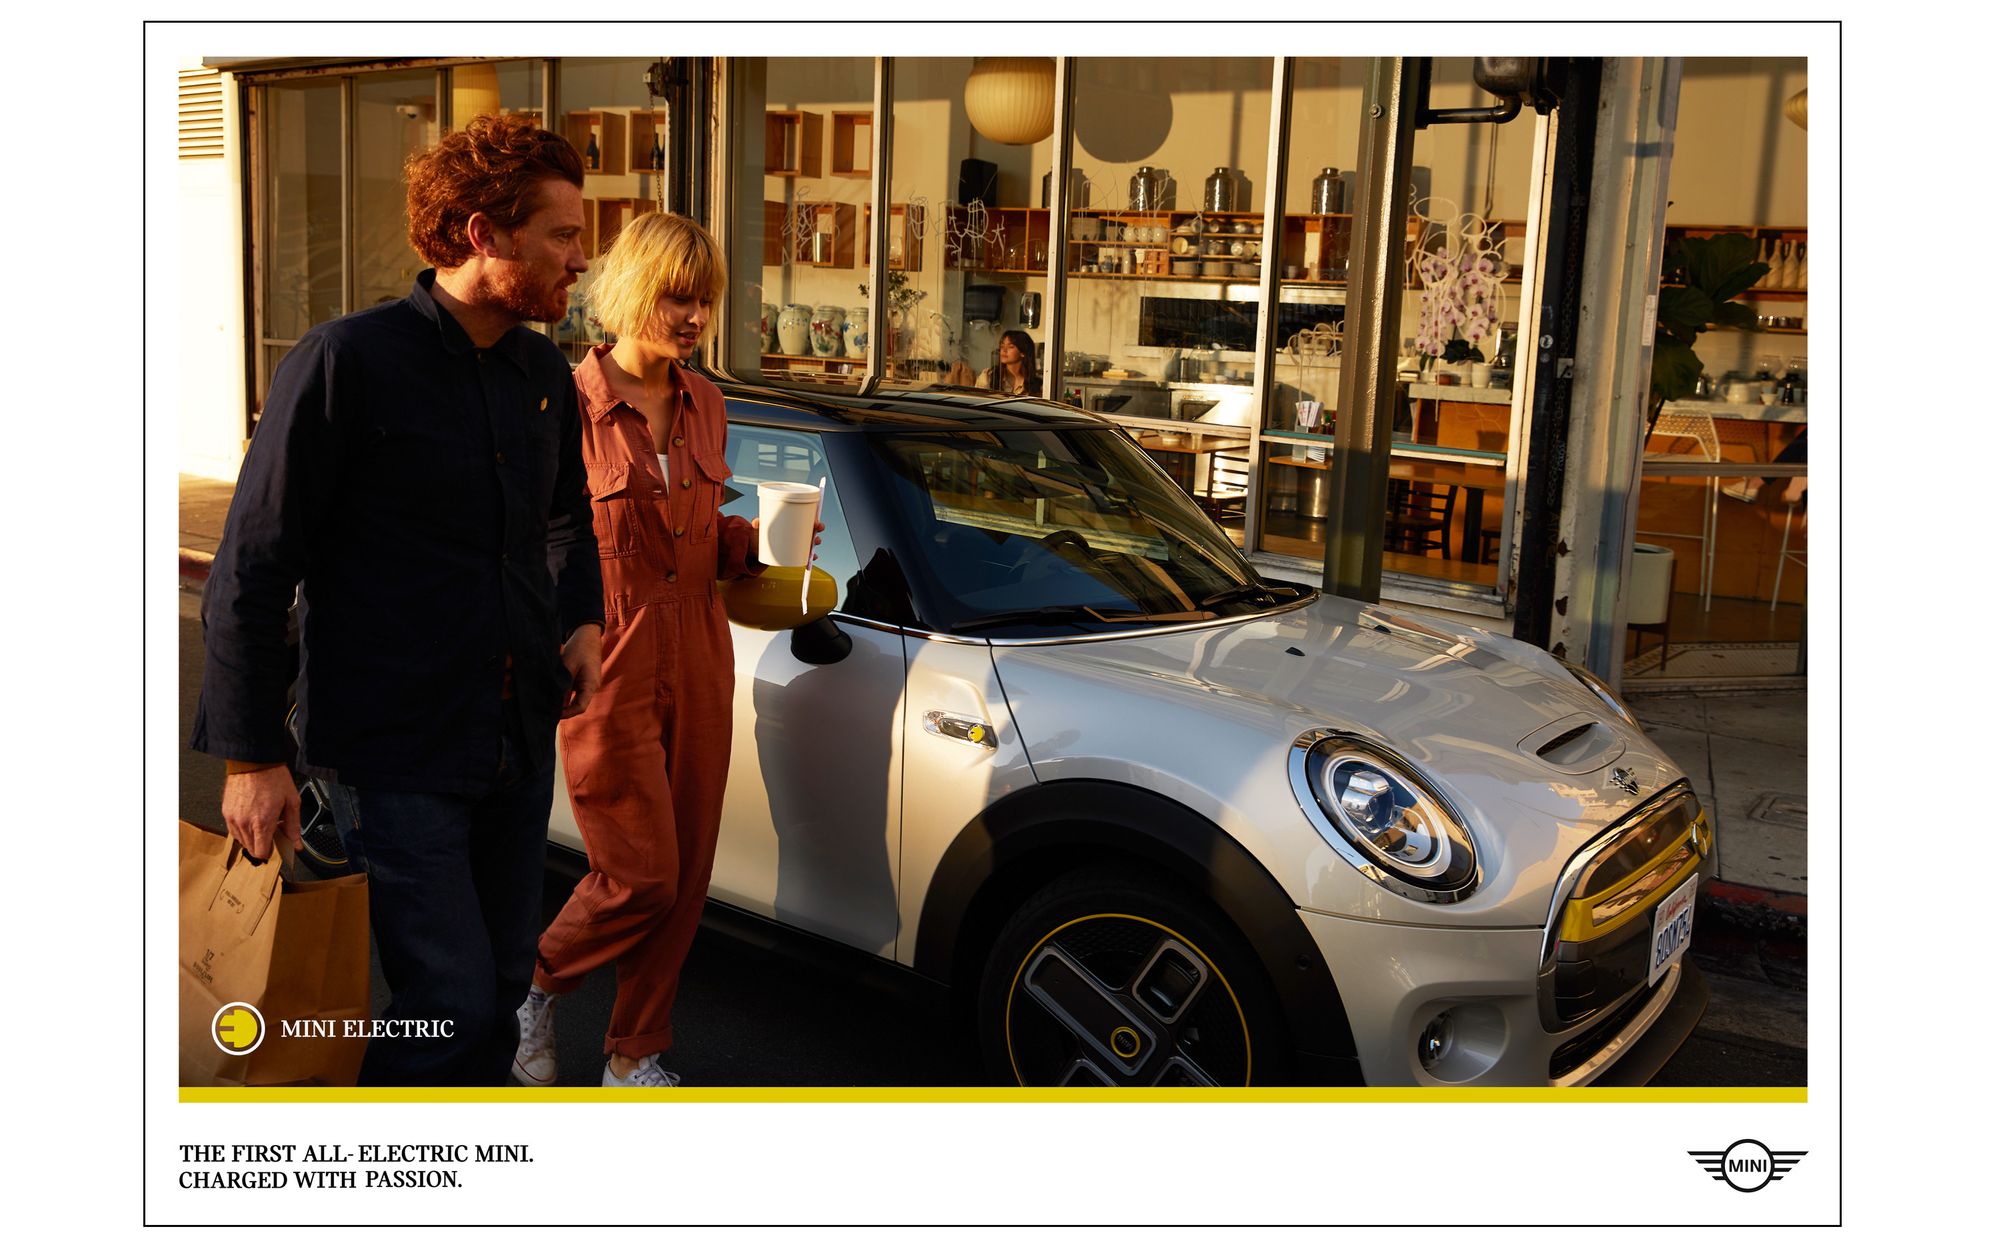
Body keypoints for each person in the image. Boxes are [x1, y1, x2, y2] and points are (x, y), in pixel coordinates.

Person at [191, 114, 605, 1086]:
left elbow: (565, 517)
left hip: (514, 735)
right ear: (484, 234)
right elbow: (253, 567)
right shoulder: (346, 362)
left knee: (499, 986)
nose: (581, 258)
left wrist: (582, 619)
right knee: (448, 1002)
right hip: (392, 746)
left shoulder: (544, 374)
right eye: (561, 234)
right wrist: (252, 757)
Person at [512, 212, 817, 1089]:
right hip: (607, 654)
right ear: (634, 288)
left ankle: (634, 1051)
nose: (695, 317)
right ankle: (535, 986)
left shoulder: (707, 402)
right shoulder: (564, 401)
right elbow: (538, 543)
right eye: (679, 296)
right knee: (639, 871)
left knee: (685, 877)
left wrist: (754, 543)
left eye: (706, 300)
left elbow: (696, 537)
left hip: (702, 649)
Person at [977, 329, 1041, 397]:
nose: (1004, 350)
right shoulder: (988, 376)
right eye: (1002, 346)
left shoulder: (1036, 385)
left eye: (1010, 347)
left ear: (1023, 352)